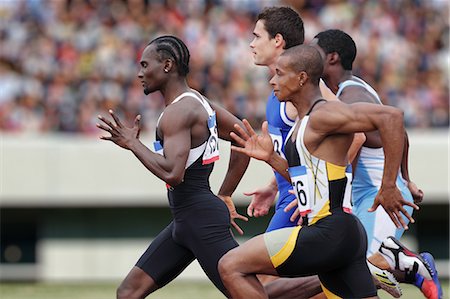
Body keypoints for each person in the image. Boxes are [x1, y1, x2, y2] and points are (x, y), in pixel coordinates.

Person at [219, 44, 420, 299]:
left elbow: (392, 118)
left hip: (329, 231)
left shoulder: (323, 114)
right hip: (341, 234)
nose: (272, 81)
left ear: (302, 78)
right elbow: (311, 182)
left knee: (231, 265)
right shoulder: (304, 122)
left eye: (280, 74)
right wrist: (271, 158)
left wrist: (389, 185)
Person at [97, 35, 250, 298]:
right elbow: (245, 138)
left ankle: (324, 283)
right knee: (128, 292)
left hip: (200, 219)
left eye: (145, 65)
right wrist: (224, 194)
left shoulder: (178, 112)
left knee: (256, 294)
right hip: (187, 221)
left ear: (167, 65)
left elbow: (173, 173)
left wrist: (133, 143)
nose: (139, 73)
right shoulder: (199, 101)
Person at [310, 29, 443, 299]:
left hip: (377, 198)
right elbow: (398, 134)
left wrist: (393, 184)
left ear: (332, 57)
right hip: (370, 195)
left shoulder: (351, 97)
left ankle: (414, 266)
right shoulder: (352, 91)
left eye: (315, 53)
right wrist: (405, 177)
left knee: (357, 269)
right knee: (340, 274)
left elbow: (365, 136)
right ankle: (406, 265)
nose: (309, 58)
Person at [246, 7, 364, 298]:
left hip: (303, 203)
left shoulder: (309, 86)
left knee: (257, 281)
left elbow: (357, 135)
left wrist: (315, 193)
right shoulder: (280, 84)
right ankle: (369, 275)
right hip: (290, 196)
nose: (250, 43)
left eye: (256, 36)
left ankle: (375, 271)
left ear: (277, 41)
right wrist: (274, 185)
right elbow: (295, 148)